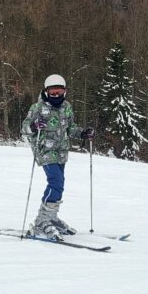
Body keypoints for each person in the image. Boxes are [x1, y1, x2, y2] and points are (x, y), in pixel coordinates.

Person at [22, 74, 94, 239]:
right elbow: (24, 128)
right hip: (45, 151)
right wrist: (34, 126)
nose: (56, 96)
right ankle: (41, 221)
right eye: (53, 92)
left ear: (65, 92)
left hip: (61, 152)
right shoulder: (37, 108)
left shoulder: (66, 107)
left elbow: (70, 128)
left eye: (59, 92)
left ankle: (51, 218)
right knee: (56, 182)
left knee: (59, 185)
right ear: (46, 92)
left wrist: (83, 133)